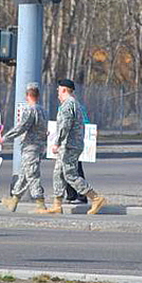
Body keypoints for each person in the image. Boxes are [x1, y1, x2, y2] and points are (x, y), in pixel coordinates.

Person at [44, 79, 106, 215]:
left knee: (70, 175)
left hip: (69, 145)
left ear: (64, 90)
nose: (58, 93)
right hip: (70, 144)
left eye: (59, 90)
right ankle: (57, 205)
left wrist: (57, 142)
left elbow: (64, 126)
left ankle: (96, 198)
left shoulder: (68, 105)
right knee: (58, 173)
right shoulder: (74, 104)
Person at [0, 83, 48, 213]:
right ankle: (14, 201)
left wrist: (5, 137)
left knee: (32, 175)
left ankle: (40, 204)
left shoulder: (30, 110)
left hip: (30, 147)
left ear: (27, 96)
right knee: (24, 175)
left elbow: (22, 127)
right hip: (39, 147)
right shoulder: (43, 110)